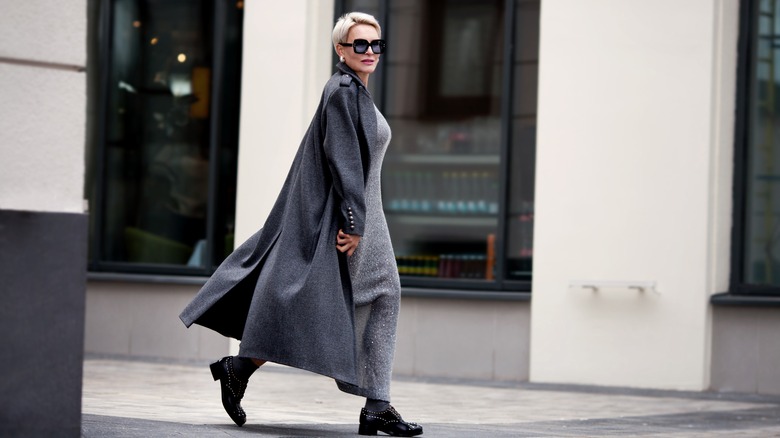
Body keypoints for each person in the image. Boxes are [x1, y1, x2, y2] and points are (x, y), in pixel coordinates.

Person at [179, 11, 423, 437]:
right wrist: (354, 222)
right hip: (353, 216)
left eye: (375, 45)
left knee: (337, 299)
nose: (369, 52)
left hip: (367, 213)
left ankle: (244, 368)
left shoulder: (357, 94)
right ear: (341, 49)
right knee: (367, 296)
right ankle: (374, 404)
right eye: (359, 44)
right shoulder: (343, 92)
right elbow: (343, 160)